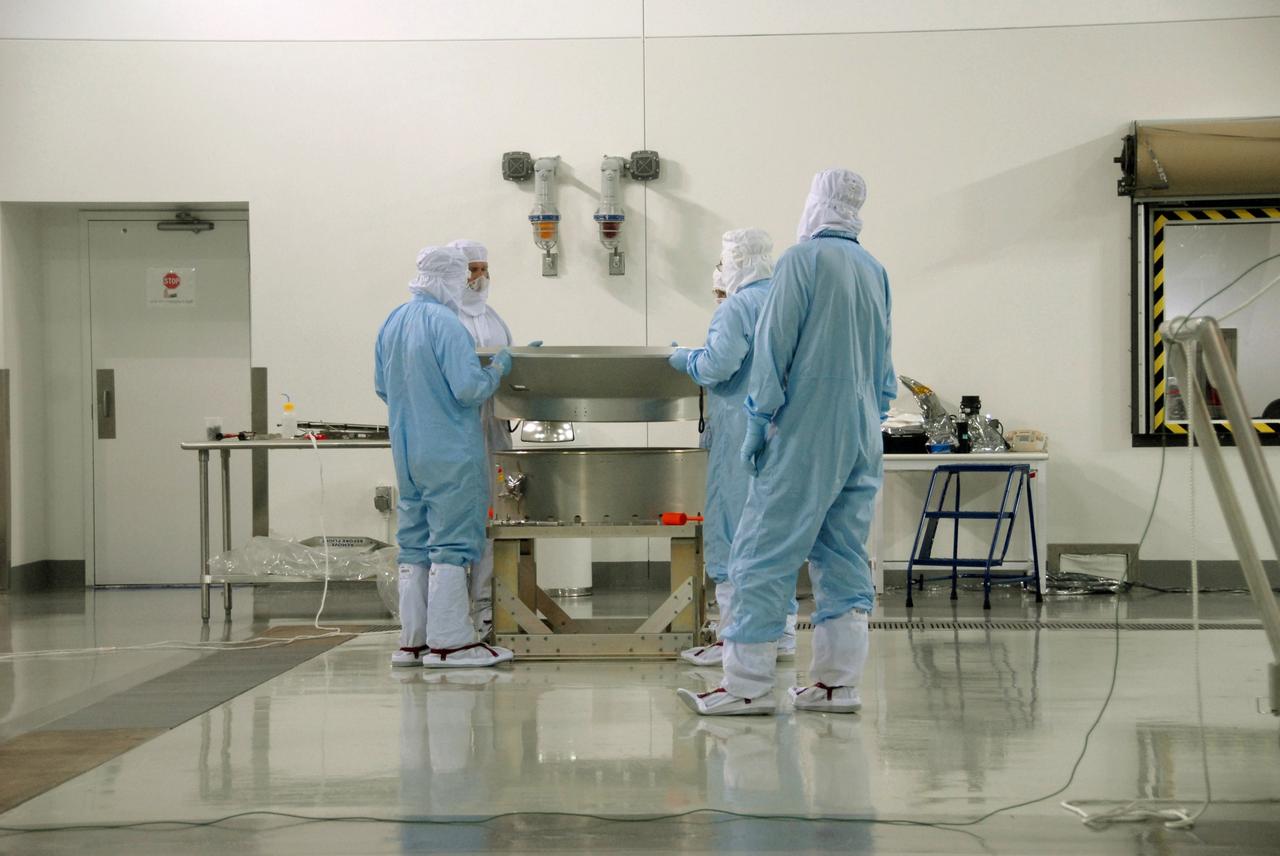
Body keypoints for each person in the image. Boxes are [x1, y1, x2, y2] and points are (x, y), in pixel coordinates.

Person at [678, 169, 895, 715]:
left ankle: (746, 684)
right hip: (863, 430)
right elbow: (886, 365)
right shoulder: (874, 269)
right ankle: (835, 683)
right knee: (843, 554)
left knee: (760, 550)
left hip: (805, 432)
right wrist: (872, 415)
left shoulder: (799, 263)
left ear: (815, 205)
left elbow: (774, 353)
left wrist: (757, 422)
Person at [376, 245, 515, 669]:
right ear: (449, 278)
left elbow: (383, 387)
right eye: (463, 276)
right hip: (451, 449)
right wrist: (498, 370)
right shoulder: (447, 324)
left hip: (408, 447)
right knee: (453, 542)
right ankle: (451, 642)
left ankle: (412, 641)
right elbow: (469, 389)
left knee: (414, 543)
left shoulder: (393, 321)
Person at [668, 229, 799, 667]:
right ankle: (779, 634)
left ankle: (735, 636)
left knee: (732, 529)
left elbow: (718, 364)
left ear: (735, 263)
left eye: (723, 265)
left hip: (740, 433)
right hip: (784, 435)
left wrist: (688, 359)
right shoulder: (787, 301)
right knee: (774, 532)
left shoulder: (737, 307)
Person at [446, 239, 515, 637]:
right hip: (455, 434)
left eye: (484, 268)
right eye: (473, 269)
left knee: (495, 518)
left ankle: (489, 612)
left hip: (492, 434)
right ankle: (455, 619)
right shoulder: (444, 319)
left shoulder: (493, 319)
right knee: (458, 524)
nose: (480, 277)